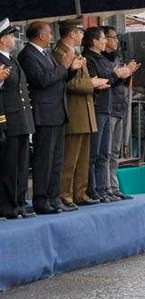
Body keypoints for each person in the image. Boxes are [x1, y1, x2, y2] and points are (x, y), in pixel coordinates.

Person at [19, 21, 79, 214]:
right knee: (44, 159)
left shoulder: (46, 53)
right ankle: (41, 199)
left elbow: (58, 78)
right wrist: (64, 66)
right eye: (48, 32)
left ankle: (54, 197)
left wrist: (71, 69)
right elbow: (42, 80)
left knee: (57, 159)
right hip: (44, 112)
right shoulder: (28, 55)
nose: (52, 35)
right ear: (39, 35)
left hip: (58, 111)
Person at [56, 19, 107, 209]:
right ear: (71, 34)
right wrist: (91, 84)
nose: (82, 36)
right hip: (73, 110)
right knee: (70, 158)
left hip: (84, 110)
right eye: (79, 32)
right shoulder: (60, 52)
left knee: (83, 157)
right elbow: (67, 82)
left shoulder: (74, 52)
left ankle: (80, 192)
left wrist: (92, 83)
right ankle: (65, 193)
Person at [83, 27, 134, 202]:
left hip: (109, 106)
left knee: (105, 152)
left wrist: (123, 74)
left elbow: (109, 80)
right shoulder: (89, 59)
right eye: (103, 38)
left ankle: (105, 188)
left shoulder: (102, 58)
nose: (105, 41)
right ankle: (94, 188)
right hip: (97, 107)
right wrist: (116, 74)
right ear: (94, 41)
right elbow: (101, 80)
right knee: (95, 152)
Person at [0, 18, 36, 219]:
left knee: (22, 164)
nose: (14, 39)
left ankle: (20, 202)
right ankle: (8, 205)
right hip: (9, 119)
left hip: (22, 119)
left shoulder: (12, 59)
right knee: (10, 166)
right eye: (11, 36)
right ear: (3, 39)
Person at [103, 25, 137, 200]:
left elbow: (121, 83)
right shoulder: (101, 59)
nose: (116, 41)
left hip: (120, 107)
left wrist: (128, 73)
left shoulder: (115, 58)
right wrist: (121, 74)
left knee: (115, 151)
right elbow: (109, 82)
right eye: (113, 37)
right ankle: (106, 187)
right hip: (108, 109)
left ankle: (114, 187)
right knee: (106, 151)